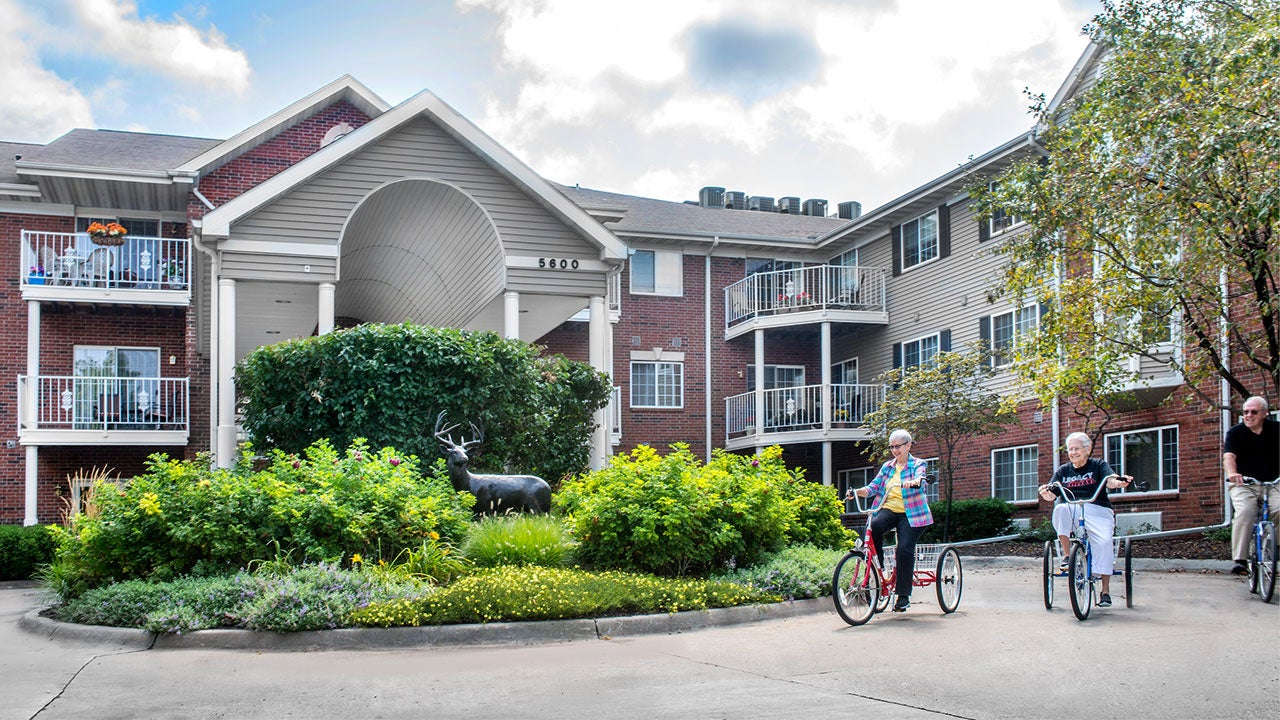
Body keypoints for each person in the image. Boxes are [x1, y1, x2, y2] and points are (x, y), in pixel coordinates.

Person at [1038, 431, 1133, 608]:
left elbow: (1110, 480)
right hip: (1073, 508)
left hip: (1098, 509)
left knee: (1104, 543)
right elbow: (1052, 494)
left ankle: (1105, 591)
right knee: (1060, 509)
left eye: (1077, 448)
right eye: (1070, 449)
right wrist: (1045, 493)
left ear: (1087, 450)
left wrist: (1120, 482)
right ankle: (1067, 556)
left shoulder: (1098, 465)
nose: (1073, 452)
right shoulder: (1063, 471)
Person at [848, 428, 933, 612]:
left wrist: (914, 482)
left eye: (898, 446)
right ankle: (878, 569)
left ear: (908, 445)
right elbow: (873, 488)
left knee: (904, 550)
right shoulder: (887, 467)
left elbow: (921, 479)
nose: (895, 450)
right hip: (889, 509)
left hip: (912, 514)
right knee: (874, 526)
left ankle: (903, 596)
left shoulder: (918, 464)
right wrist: (856, 492)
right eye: (892, 447)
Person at [1223, 396, 1280, 576]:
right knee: (1245, 511)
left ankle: (1276, 547)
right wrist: (1232, 473)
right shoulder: (1235, 433)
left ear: (1265, 413)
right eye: (1245, 412)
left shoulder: (1276, 430)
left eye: (1254, 412)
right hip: (1244, 484)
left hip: (1273, 483)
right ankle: (1240, 559)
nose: (1248, 415)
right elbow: (1229, 456)